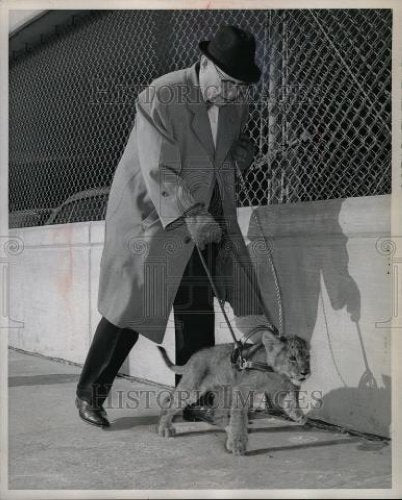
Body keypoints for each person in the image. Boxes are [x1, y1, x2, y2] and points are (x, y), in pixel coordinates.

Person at [75, 25, 275, 427]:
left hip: (200, 219)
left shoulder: (233, 105)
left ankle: (193, 399)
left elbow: (213, 152)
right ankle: (89, 394)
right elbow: (159, 167)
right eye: (227, 83)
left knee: (194, 309)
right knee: (129, 309)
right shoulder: (162, 94)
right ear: (204, 64)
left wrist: (239, 153)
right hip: (152, 216)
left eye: (240, 86)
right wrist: (193, 214)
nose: (233, 93)